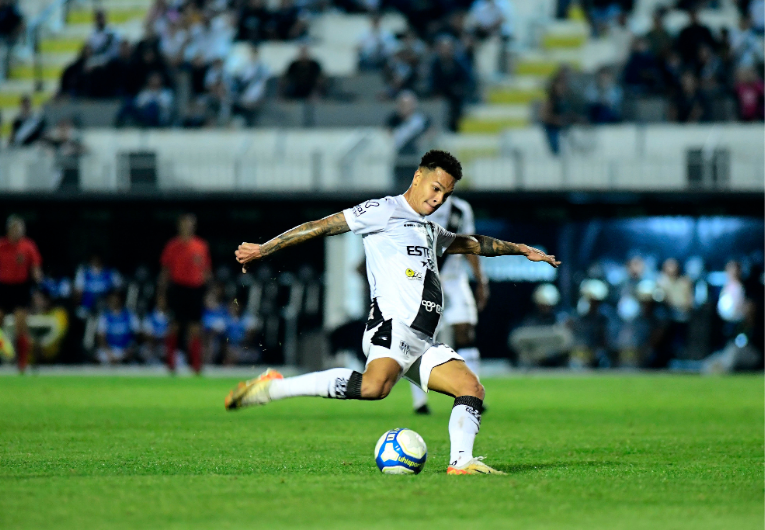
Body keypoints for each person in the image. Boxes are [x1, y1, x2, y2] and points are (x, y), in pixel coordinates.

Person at [223, 150, 560, 475]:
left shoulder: (429, 229)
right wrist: (264, 248)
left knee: (470, 387)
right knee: (374, 388)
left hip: (422, 340)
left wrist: (521, 250)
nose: (439, 199)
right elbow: (322, 225)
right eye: (436, 188)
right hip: (393, 326)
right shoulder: (382, 210)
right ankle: (274, 388)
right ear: (418, 178)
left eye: (447, 193)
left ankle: (462, 462)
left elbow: (472, 243)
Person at [407, 194, 489, 415]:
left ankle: (472, 392)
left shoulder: (460, 210)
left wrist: (481, 280)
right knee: (421, 340)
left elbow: (471, 245)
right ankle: (420, 402)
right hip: (423, 282)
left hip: (454, 280)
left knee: (466, 332)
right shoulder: (413, 208)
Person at [159, 213, 211, 373]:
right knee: (174, 326)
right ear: (179, 225)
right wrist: (161, 294)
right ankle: (171, 363)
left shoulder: (201, 246)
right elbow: (165, 272)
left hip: (195, 289)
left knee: (195, 327)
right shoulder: (172, 245)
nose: (187, 226)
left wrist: (208, 293)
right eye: (184, 224)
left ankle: (195, 366)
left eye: (190, 224)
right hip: (178, 288)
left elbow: (206, 271)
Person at [0, 215, 42, 372]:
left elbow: (36, 265)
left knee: (21, 326)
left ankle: (22, 364)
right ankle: (5, 353)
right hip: (3, 287)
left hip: (20, 288)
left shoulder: (28, 246)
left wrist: (37, 276)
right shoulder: (1, 245)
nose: (17, 232)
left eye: (20, 229)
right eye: (14, 228)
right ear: (9, 230)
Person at [96, 290, 140, 364]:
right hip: (110, 350)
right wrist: (109, 353)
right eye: (112, 300)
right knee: (99, 356)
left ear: (120, 301)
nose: (114, 302)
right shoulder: (104, 317)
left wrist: (130, 349)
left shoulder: (130, 315)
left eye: (116, 300)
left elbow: (137, 334)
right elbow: (101, 337)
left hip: (126, 350)